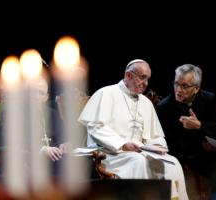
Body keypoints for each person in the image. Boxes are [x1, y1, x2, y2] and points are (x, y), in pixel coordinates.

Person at [78, 59, 189, 200]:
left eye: (148, 79)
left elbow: (155, 136)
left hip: (140, 153)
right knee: (138, 161)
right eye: (142, 78)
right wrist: (123, 144)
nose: (146, 84)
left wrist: (158, 147)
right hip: (111, 154)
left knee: (172, 163)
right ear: (128, 75)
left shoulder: (146, 103)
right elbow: (95, 127)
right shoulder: (105, 93)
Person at [155, 64, 216, 199]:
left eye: (184, 86)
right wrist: (199, 145)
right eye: (176, 84)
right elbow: (167, 144)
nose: (178, 90)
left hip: (213, 162)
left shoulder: (210, 100)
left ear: (196, 88)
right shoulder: (164, 107)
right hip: (184, 163)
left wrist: (200, 125)